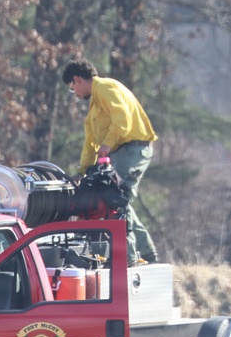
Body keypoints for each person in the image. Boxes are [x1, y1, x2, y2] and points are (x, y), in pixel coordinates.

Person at [62, 59, 159, 264]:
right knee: (118, 200)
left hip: (132, 150)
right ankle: (147, 253)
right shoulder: (94, 109)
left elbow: (122, 119)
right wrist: (81, 171)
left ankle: (126, 258)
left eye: (72, 88)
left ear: (77, 79)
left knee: (114, 199)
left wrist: (107, 143)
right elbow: (90, 144)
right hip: (123, 152)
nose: (75, 94)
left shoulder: (106, 87)